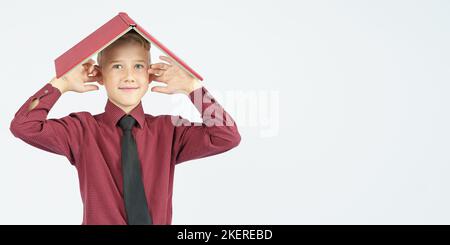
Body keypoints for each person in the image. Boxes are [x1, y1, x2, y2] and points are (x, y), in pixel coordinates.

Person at [9, 30, 241, 225]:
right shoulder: (81, 130)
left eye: (139, 66)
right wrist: (60, 83)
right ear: (99, 75)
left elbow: (226, 136)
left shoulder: (168, 130)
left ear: (150, 74)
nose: (129, 76)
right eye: (117, 66)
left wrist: (193, 88)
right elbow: (24, 126)